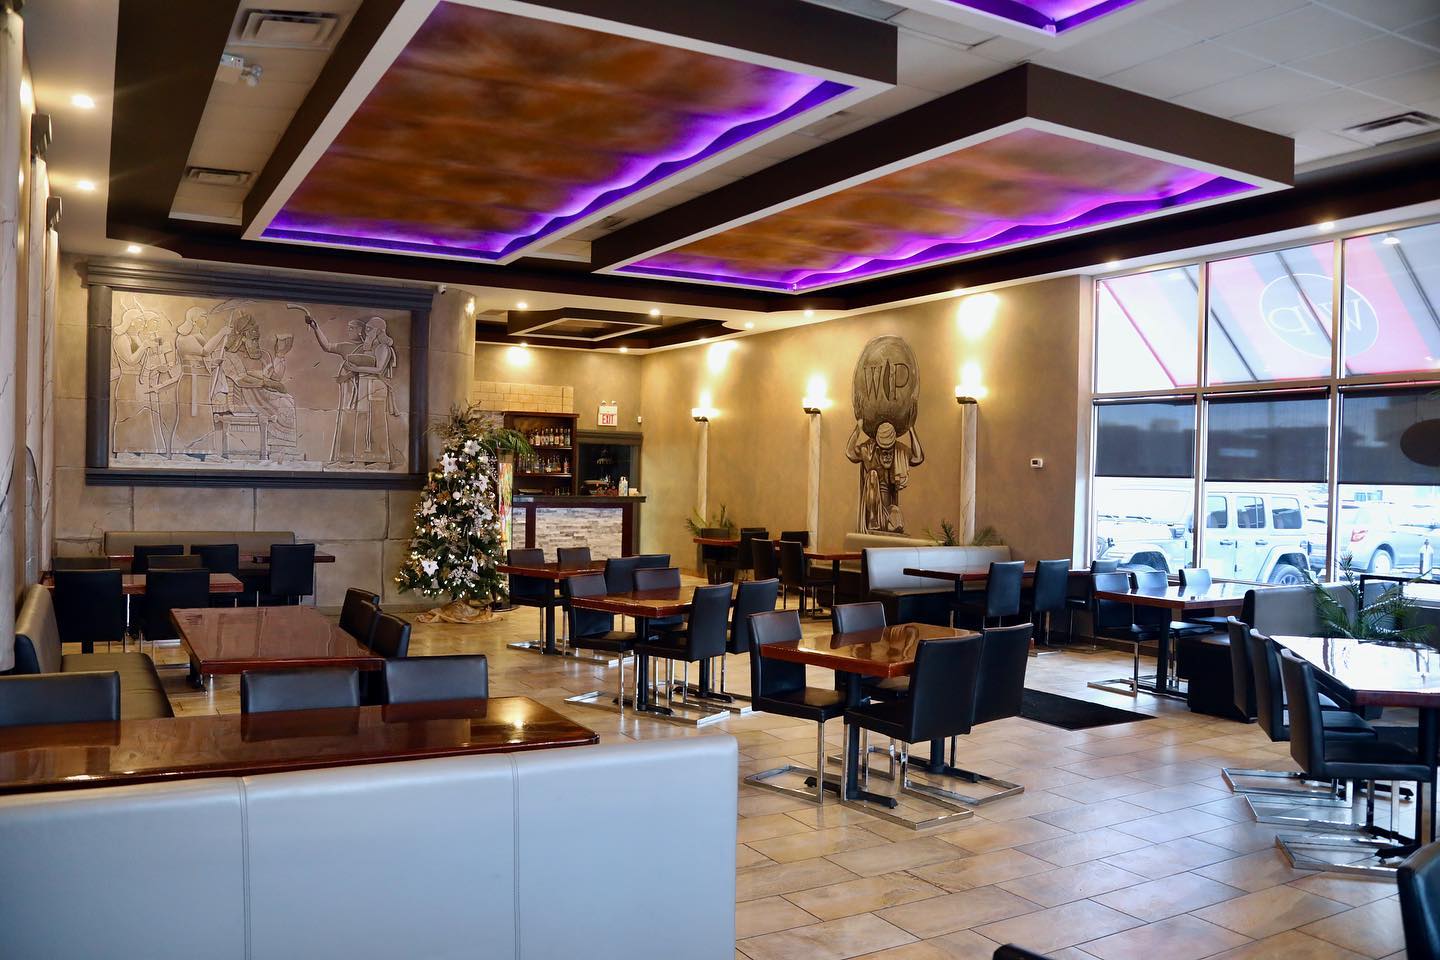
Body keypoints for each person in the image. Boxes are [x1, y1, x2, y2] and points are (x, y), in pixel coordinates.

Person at [846, 419, 924, 534]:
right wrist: (858, 428)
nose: (887, 457)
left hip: (889, 509)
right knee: (872, 474)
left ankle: (885, 522)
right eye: (884, 452)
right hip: (872, 510)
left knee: (897, 522)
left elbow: (918, 457)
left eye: (890, 452)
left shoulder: (899, 450)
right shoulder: (868, 450)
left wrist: (911, 429)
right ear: (878, 449)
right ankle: (873, 519)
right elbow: (850, 452)